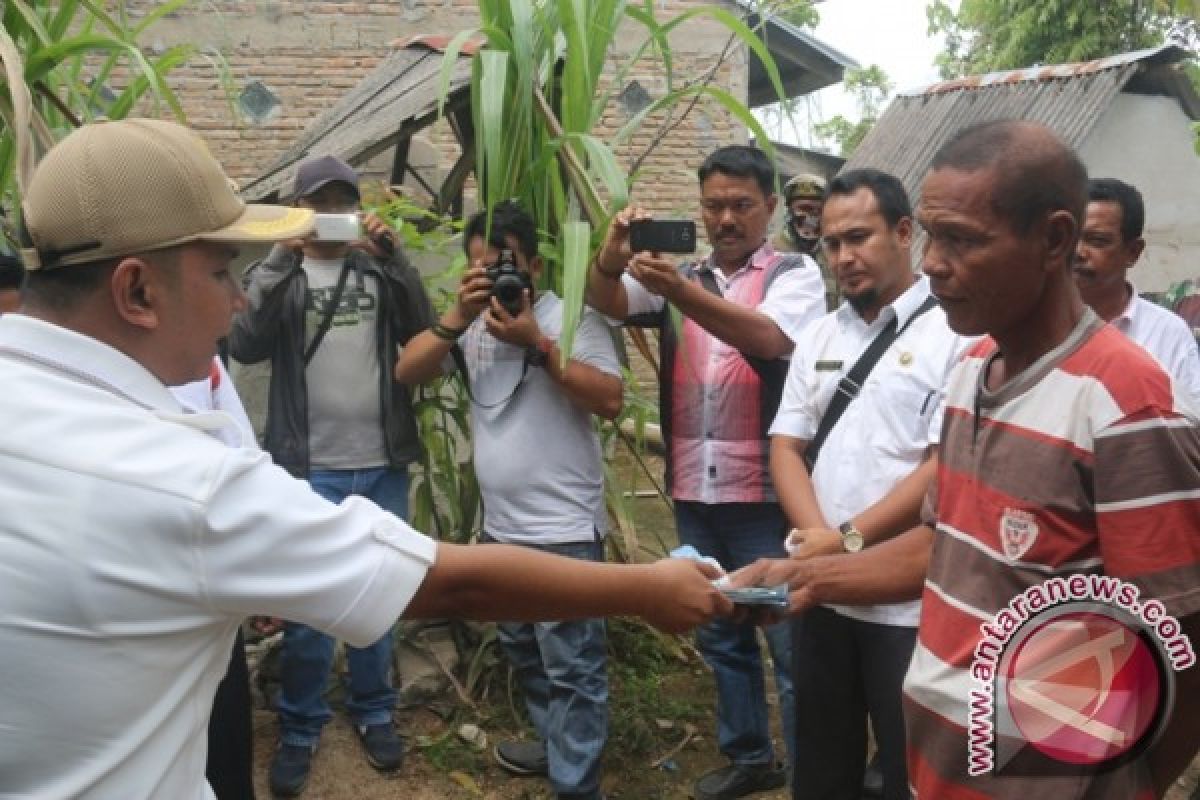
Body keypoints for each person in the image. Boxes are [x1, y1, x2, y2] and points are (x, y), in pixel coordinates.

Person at [0, 117, 732, 800]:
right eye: (225, 272)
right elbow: (447, 587)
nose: (238, 303)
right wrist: (647, 588)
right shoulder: (185, 482)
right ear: (136, 290)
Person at [732, 120, 1199, 798]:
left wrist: (1127, 787)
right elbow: (944, 545)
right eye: (930, 233)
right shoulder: (971, 369)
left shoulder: (1128, 403)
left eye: (962, 240)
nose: (932, 263)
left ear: (1055, 240)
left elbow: (1182, 643)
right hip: (939, 769)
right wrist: (809, 579)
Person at [587, 144, 827, 800]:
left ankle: (813, 775)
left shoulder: (792, 273)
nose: (726, 218)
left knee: (787, 645)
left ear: (770, 208)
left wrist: (679, 291)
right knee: (721, 632)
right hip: (696, 485)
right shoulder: (680, 272)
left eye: (741, 205)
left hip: (767, 495)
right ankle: (752, 757)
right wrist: (612, 252)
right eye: (713, 205)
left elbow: (770, 339)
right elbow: (606, 298)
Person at [394, 201, 622, 800]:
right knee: (525, 652)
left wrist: (537, 344)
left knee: (573, 667)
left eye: (506, 266)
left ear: (536, 267)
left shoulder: (571, 319)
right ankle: (555, 749)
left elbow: (610, 399)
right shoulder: (471, 323)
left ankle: (577, 785)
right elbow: (407, 371)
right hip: (502, 531)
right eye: (483, 268)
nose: (498, 279)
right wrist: (455, 313)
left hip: (565, 531)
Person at [228, 155, 433, 795]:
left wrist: (397, 257)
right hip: (307, 467)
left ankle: (375, 712)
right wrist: (281, 256)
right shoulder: (284, 275)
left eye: (342, 202)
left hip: (380, 461)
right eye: (319, 203)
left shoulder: (375, 267)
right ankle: (299, 725)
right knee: (310, 609)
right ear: (299, 209)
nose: (331, 215)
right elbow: (244, 342)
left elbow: (422, 332)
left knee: (379, 598)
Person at [769, 168, 971, 800]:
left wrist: (848, 540)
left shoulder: (956, 335)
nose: (844, 257)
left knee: (911, 772)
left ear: (905, 232)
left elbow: (943, 464)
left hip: (910, 602)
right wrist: (817, 539)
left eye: (859, 237)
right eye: (831, 244)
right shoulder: (821, 336)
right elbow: (786, 446)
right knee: (823, 766)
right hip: (822, 596)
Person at [171, 356, 258, 800]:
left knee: (222, 748)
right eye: (220, 279)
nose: (239, 300)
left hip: (205, 605)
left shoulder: (200, 362)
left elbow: (242, 460)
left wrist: (260, 575)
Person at [1073, 177, 1200, 401]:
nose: (1078, 252)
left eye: (1097, 241)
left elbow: (1188, 426)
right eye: (1069, 238)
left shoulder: (1167, 334)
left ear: (1133, 252)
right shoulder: (1031, 328)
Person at [771, 173, 837, 310]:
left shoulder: (834, 257)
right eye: (803, 209)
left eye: (817, 210)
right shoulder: (768, 252)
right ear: (789, 212)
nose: (810, 217)